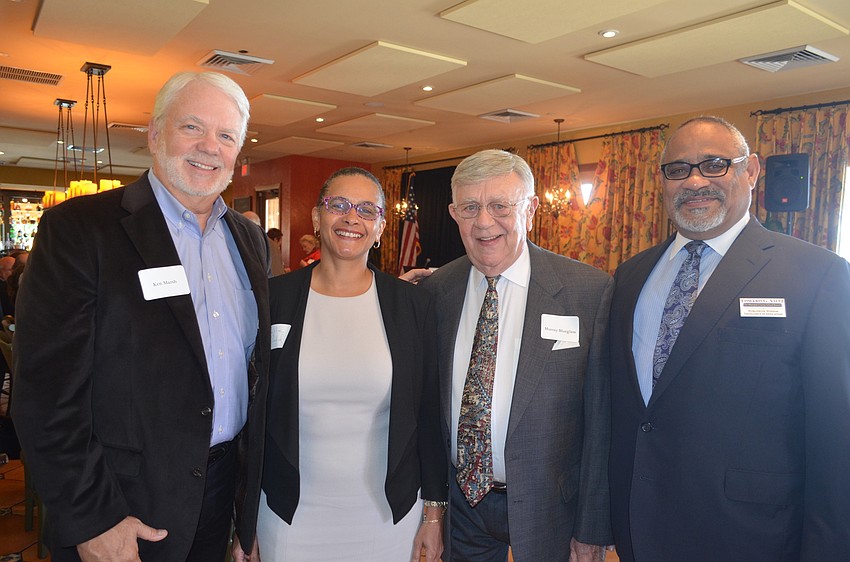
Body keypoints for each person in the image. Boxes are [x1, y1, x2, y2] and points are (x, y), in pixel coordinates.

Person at [11, 71, 271, 562]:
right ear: (155, 134)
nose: (209, 147)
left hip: (222, 497)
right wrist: (92, 518)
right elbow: (46, 394)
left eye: (225, 135)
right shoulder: (80, 230)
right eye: (192, 127)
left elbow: (253, 377)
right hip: (123, 504)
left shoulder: (250, 240)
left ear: (238, 154)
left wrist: (245, 512)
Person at [608, 116, 850, 561]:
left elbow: (836, 441)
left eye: (715, 165)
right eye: (678, 169)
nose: (695, 181)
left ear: (752, 171)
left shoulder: (817, 277)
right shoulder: (631, 276)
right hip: (639, 526)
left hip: (751, 536)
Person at [420, 149, 613, 561]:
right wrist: (433, 509)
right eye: (470, 207)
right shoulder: (437, 293)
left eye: (500, 206)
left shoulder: (588, 293)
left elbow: (601, 422)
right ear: (454, 213)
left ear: (531, 210)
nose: (484, 222)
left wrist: (593, 527)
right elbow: (427, 411)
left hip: (551, 507)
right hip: (462, 508)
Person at [258, 167, 447, 561]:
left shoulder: (412, 306)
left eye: (366, 209)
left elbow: (429, 415)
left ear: (380, 227)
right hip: (288, 515)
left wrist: (433, 513)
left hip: (386, 519)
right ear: (316, 217)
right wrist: (244, 521)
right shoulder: (273, 299)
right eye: (338, 205)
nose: (351, 218)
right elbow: (252, 416)